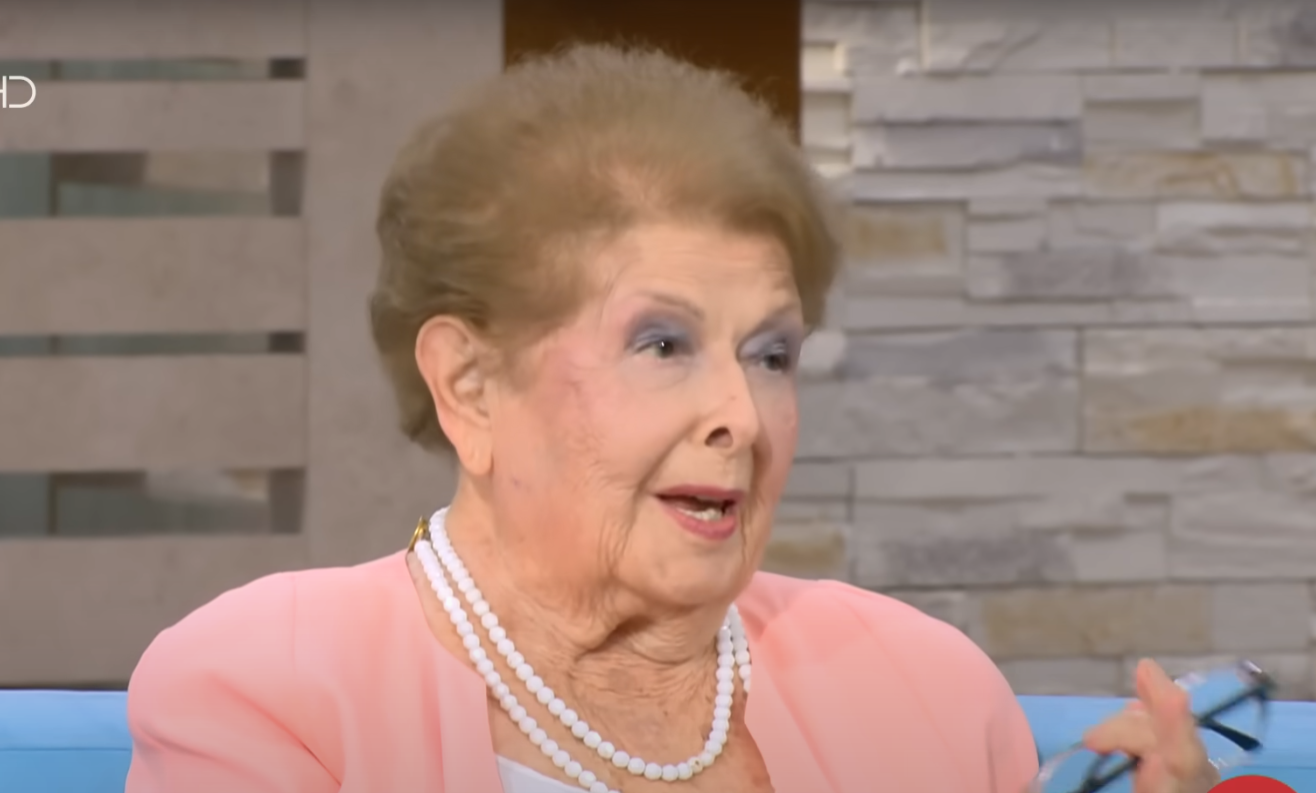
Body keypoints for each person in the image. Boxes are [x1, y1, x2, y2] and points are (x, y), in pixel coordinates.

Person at [123, 44, 1220, 793]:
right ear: (469, 384)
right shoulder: (265, 688)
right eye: (662, 345)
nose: (740, 415)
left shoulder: (924, 689)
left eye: (770, 354)